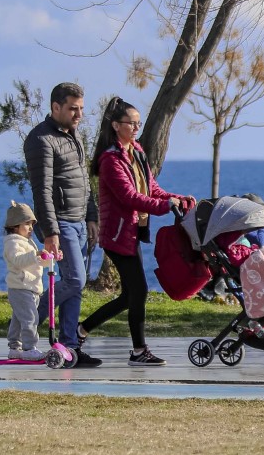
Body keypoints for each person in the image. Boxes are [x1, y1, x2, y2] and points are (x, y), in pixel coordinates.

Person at [77, 97, 196, 366]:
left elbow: (152, 189)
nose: (136, 128)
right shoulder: (111, 159)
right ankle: (138, 351)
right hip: (117, 235)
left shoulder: (137, 152)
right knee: (138, 292)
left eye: (138, 124)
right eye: (132, 123)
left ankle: (82, 331)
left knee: (131, 294)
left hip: (132, 234)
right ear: (117, 125)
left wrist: (177, 198)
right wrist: (165, 206)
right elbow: (129, 197)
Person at [24, 82, 100, 366]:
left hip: (79, 220)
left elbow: (84, 182)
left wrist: (91, 216)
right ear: (55, 107)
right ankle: (27, 320)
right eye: (72, 109)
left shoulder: (74, 136)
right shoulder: (41, 139)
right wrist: (51, 232)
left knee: (75, 285)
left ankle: (69, 348)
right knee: (76, 280)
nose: (78, 114)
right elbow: (41, 190)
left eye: (81, 109)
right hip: (60, 223)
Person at [3, 201, 53, 361]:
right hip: (20, 288)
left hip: (30, 288)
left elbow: (35, 262)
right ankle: (29, 348)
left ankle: (14, 348)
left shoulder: (25, 242)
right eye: (27, 224)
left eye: (32, 224)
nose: (31, 228)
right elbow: (18, 260)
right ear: (15, 226)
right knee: (31, 318)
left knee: (19, 319)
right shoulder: (13, 243)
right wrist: (35, 255)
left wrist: (50, 259)